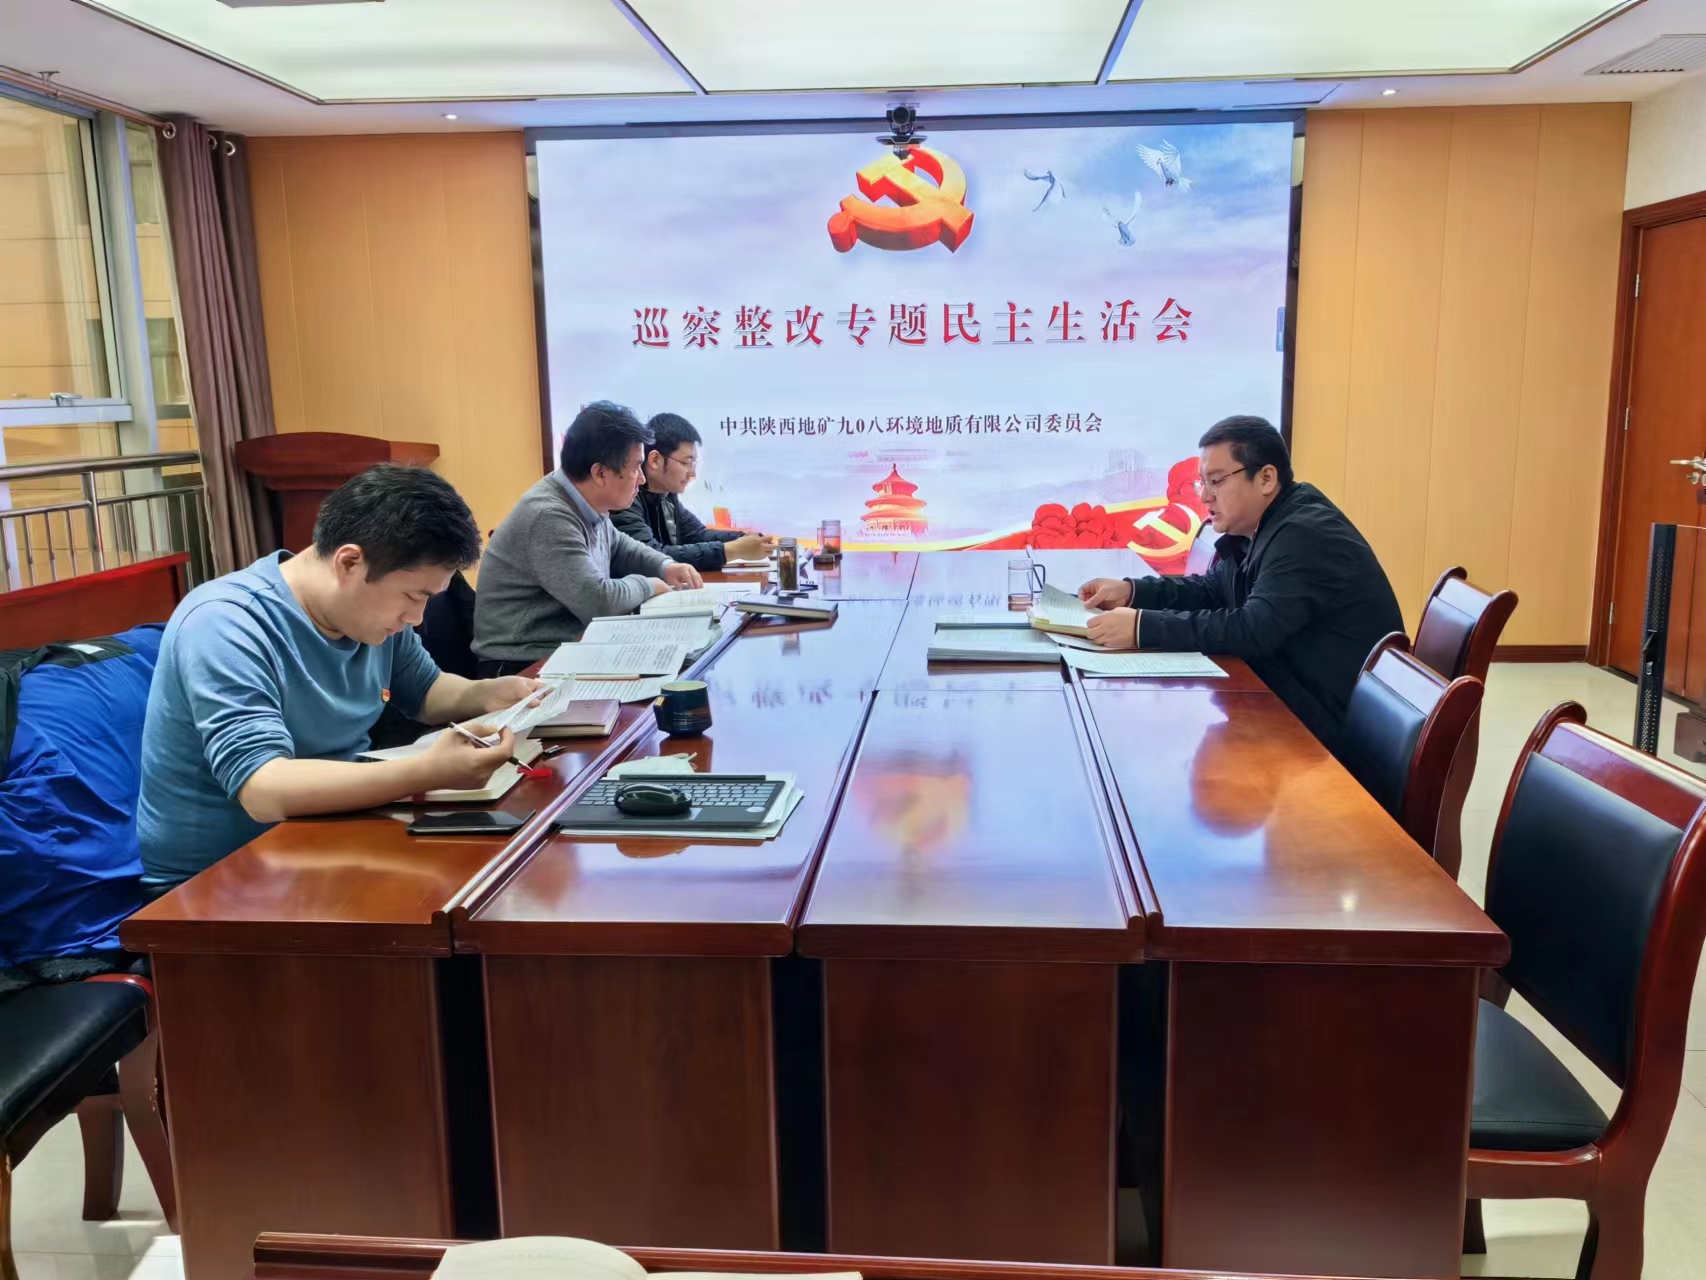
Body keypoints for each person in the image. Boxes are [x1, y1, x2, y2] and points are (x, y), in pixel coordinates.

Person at [137, 465, 541, 889]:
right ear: (349, 562)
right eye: (412, 596)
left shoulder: (368, 617)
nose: (417, 618)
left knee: (498, 873)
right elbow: (264, 790)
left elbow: (425, 690)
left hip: (330, 835)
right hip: (223, 880)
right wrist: (429, 771)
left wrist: (488, 693)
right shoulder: (226, 623)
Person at [1078, 416, 1403, 760]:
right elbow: (1212, 591)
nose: (1204, 496)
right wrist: (1131, 592)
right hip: (1288, 705)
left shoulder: (1304, 534)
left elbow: (1252, 630)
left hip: (1333, 739)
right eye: (1202, 483)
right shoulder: (1257, 527)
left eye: (1216, 481)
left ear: (1266, 478)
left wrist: (1141, 628)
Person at [473, 401, 701, 674]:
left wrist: (665, 566)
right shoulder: (548, 515)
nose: (641, 479)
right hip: (521, 666)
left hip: (567, 648)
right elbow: (599, 602)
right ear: (600, 472)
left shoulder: (586, 498)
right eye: (635, 468)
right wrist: (648, 585)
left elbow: (618, 545)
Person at [612, 412, 777, 571]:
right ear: (655, 460)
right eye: (686, 463)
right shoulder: (625, 498)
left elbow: (696, 534)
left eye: (694, 463)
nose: (692, 474)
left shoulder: (666, 495)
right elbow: (651, 557)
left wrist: (742, 538)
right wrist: (731, 550)